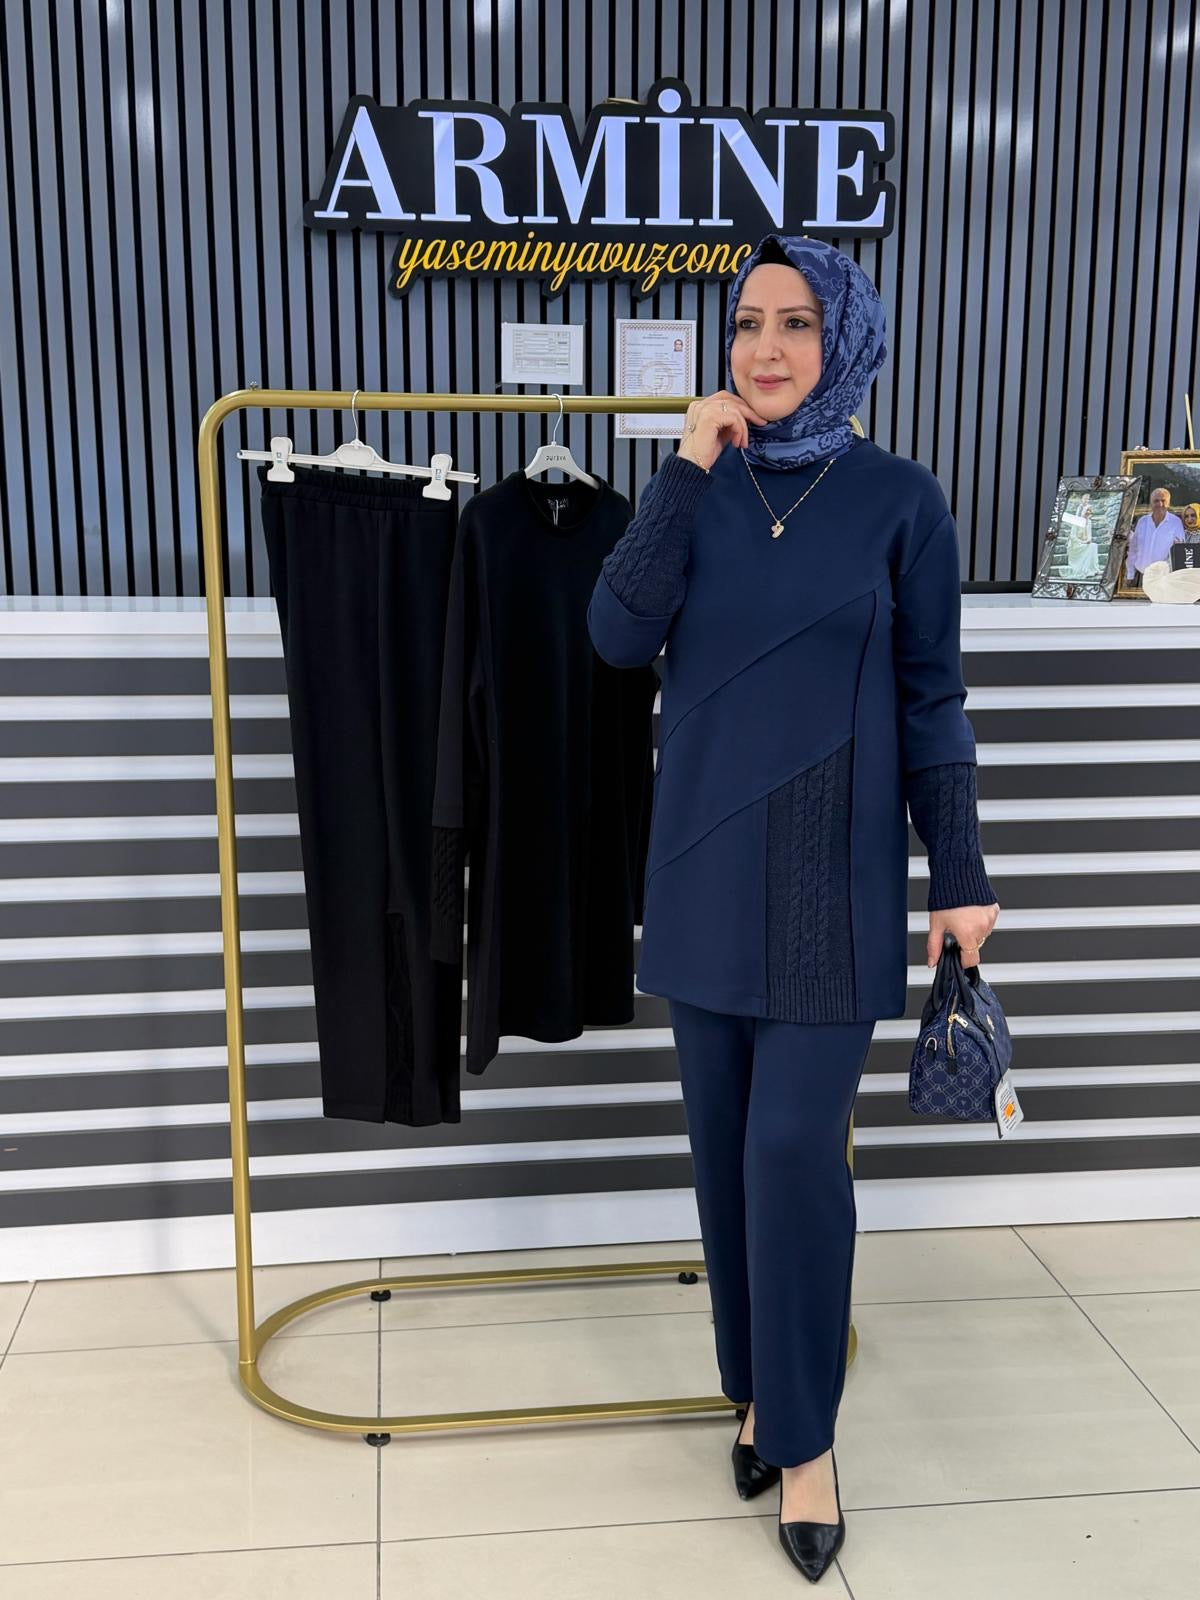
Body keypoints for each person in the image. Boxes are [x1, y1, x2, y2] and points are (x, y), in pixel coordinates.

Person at [586, 233, 1000, 1583]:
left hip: (835, 875)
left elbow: (933, 700)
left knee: (790, 1157)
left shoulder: (901, 501)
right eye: (747, 322)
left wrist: (961, 874)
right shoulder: (698, 488)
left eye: (797, 323)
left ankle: (807, 1441)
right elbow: (614, 635)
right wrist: (682, 468)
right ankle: (758, 1394)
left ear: (848, 339)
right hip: (704, 869)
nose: (765, 348)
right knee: (724, 1159)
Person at [1126, 487, 1185, 580]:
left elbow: (1178, 552)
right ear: (1151, 503)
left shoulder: (1176, 523)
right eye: (1156, 501)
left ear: (1168, 503)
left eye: (1163, 501)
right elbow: (1133, 548)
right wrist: (1130, 573)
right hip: (1140, 576)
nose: (1160, 504)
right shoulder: (1142, 521)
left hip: (1162, 577)